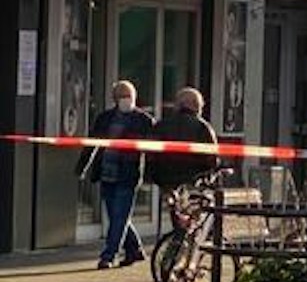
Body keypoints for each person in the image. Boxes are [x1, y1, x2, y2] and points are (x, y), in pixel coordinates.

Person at [78, 81, 155, 269]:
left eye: (128, 96)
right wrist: (83, 166)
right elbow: (92, 143)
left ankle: (108, 255)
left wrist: (153, 174)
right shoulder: (105, 118)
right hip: (106, 173)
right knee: (116, 216)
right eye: (122, 96)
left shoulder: (144, 121)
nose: (126, 100)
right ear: (115, 99)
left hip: (128, 175)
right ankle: (134, 250)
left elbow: (153, 149)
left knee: (119, 216)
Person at [151, 87, 220, 200]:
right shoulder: (202, 127)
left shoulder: (161, 125)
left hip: (165, 179)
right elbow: (211, 157)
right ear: (196, 105)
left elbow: (152, 154)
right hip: (193, 180)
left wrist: (156, 176)